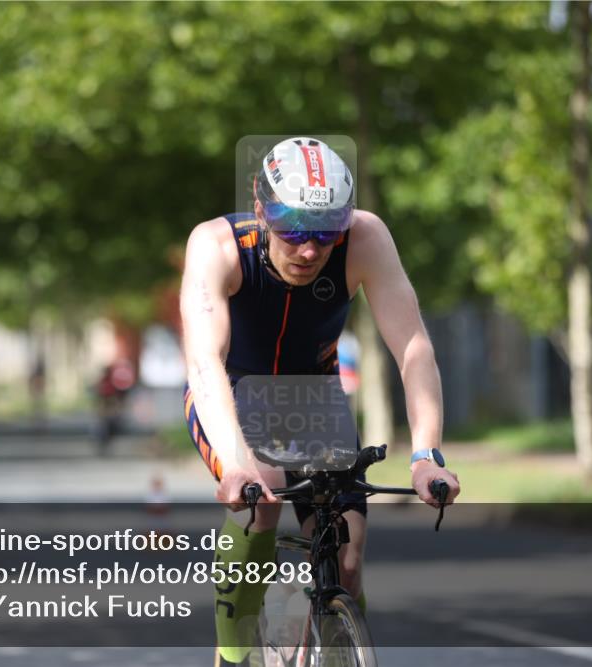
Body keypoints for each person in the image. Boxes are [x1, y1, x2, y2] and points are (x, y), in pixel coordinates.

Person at [179, 137, 459, 666]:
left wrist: (426, 455)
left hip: (314, 396)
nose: (310, 250)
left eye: (327, 232)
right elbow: (204, 363)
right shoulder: (217, 246)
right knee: (262, 499)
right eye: (293, 230)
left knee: (347, 565)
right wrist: (237, 466)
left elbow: (413, 348)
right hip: (231, 393)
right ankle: (232, 656)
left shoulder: (365, 237)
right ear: (261, 208)